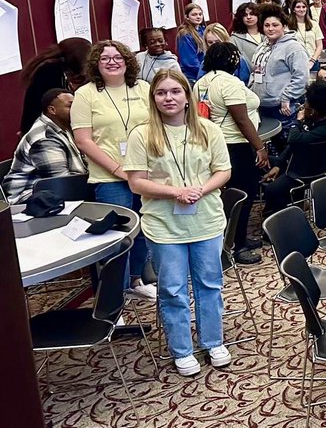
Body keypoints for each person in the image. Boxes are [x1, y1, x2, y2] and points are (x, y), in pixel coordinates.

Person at [125, 69, 232, 376]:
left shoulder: (208, 130)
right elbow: (136, 183)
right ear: (153, 98)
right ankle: (182, 349)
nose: (168, 98)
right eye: (161, 93)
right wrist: (175, 192)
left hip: (206, 220)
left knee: (209, 284)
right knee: (172, 289)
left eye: (175, 91)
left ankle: (213, 341)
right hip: (164, 224)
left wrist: (201, 190)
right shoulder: (141, 135)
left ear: (187, 96)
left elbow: (222, 172)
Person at [71, 40, 155, 299]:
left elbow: (157, 127)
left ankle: (135, 280)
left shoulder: (143, 88)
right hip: (109, 177)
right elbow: (83, 140)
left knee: (144, 229)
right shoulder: (86, 94)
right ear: (96, 63)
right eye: (105, 58)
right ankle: (113, 299)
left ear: (127, 61)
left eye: (117, 57)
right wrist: (119, 169)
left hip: (146, 173)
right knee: (118, 238)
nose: (112, 61)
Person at [194, 43, 269, 262]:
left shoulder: (201, 82)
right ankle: (238, 246)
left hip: (215, 145)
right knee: (243, 197)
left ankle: (237, 239)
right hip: (237, 145)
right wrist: (260, 147)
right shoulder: (229, 82)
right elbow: (242, 119)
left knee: (231, 196)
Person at [260, 80, 326, 216]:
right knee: (260, 161)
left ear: (313, 110)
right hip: (295, 164)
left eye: (307, 103)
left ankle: (282, 217)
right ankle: (283, 205)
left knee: (271, 190)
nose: (304, 105)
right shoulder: (312, 121)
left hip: (304, 173)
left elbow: (294, 139)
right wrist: (278, 165)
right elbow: (293, 146)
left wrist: (297, 121)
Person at [3, 89, 87, 204]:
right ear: (52, 110)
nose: (77, 110)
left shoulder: (62, 125)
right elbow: (64, 183)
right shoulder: (44, 138)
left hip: (49, 191)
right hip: (27, 198)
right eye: (70, 106)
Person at [250, 4, 310, 135]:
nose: (270, 29)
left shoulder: (293, 47)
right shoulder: (262, 46)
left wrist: (286, 97)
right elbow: (254, 72)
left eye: (275, 25)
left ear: (284, 26)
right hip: (262, 105)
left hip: (284, 107)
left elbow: (302, 76)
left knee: (286, 146)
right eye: (267, 25)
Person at [20, 37, 91, 135]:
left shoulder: (49, 67)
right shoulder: (51, 72)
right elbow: (60, 107)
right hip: (42, 132)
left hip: (36, 127)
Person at [287, 0, 323, 69]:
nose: (301, 9)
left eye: (303, 7)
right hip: (296, 63)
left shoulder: (314, 24)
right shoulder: (288, 26)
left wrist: (312, 61)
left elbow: (319, 45)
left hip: (313, 62)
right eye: (298, 7)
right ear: (293, 9)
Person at [176, 3, 206, 82]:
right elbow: (190, 62)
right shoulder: (185, 34)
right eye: (194, 14)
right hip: (193, 77)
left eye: (200, 14)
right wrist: (206, 72)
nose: (198, 17)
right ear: (187, 17)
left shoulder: (204, 30)